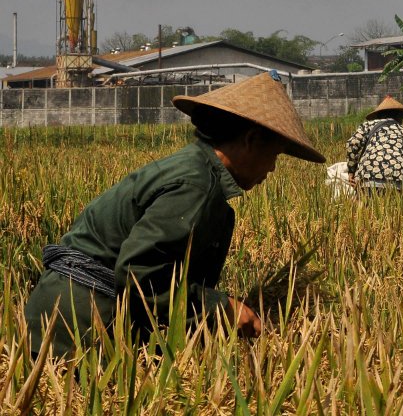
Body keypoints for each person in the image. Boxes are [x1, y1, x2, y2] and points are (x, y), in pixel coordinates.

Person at [24, 70, 326, 359]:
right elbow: (140, 274)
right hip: (78, 326)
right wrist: (221, 308)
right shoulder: (196, 185)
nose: (272, 169)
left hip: (66, 313)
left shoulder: (195, 168)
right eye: (274, 156)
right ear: (251, 141)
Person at [345, 96, 403, 191]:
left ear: (379, 115)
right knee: (396, 205)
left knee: (366, 205)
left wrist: (351, 172)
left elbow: (352, 143)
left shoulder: (368, 125)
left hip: (368, 176)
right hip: (400, 180)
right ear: (399, 117)